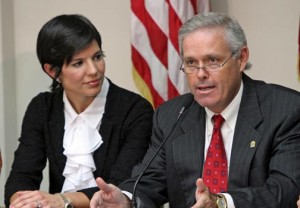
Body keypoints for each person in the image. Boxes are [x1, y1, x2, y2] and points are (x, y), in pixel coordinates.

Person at [89, 12, 300, 208]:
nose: (200, 74)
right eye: (191, 62)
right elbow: (150, 180)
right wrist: (126, 199)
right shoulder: (172, 115)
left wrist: (221, 203)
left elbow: (286, 188)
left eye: (213, 60)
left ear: (241, 58)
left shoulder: (285, 109)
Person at [4, 14, 153, 208]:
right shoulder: (42, 107)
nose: (94, 70)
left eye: (97, 57)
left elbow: (121, 186)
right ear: (51, 70)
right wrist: (22, 202)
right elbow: (22, 175)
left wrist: (62, 200)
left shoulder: (135, 110)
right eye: (78, 63)